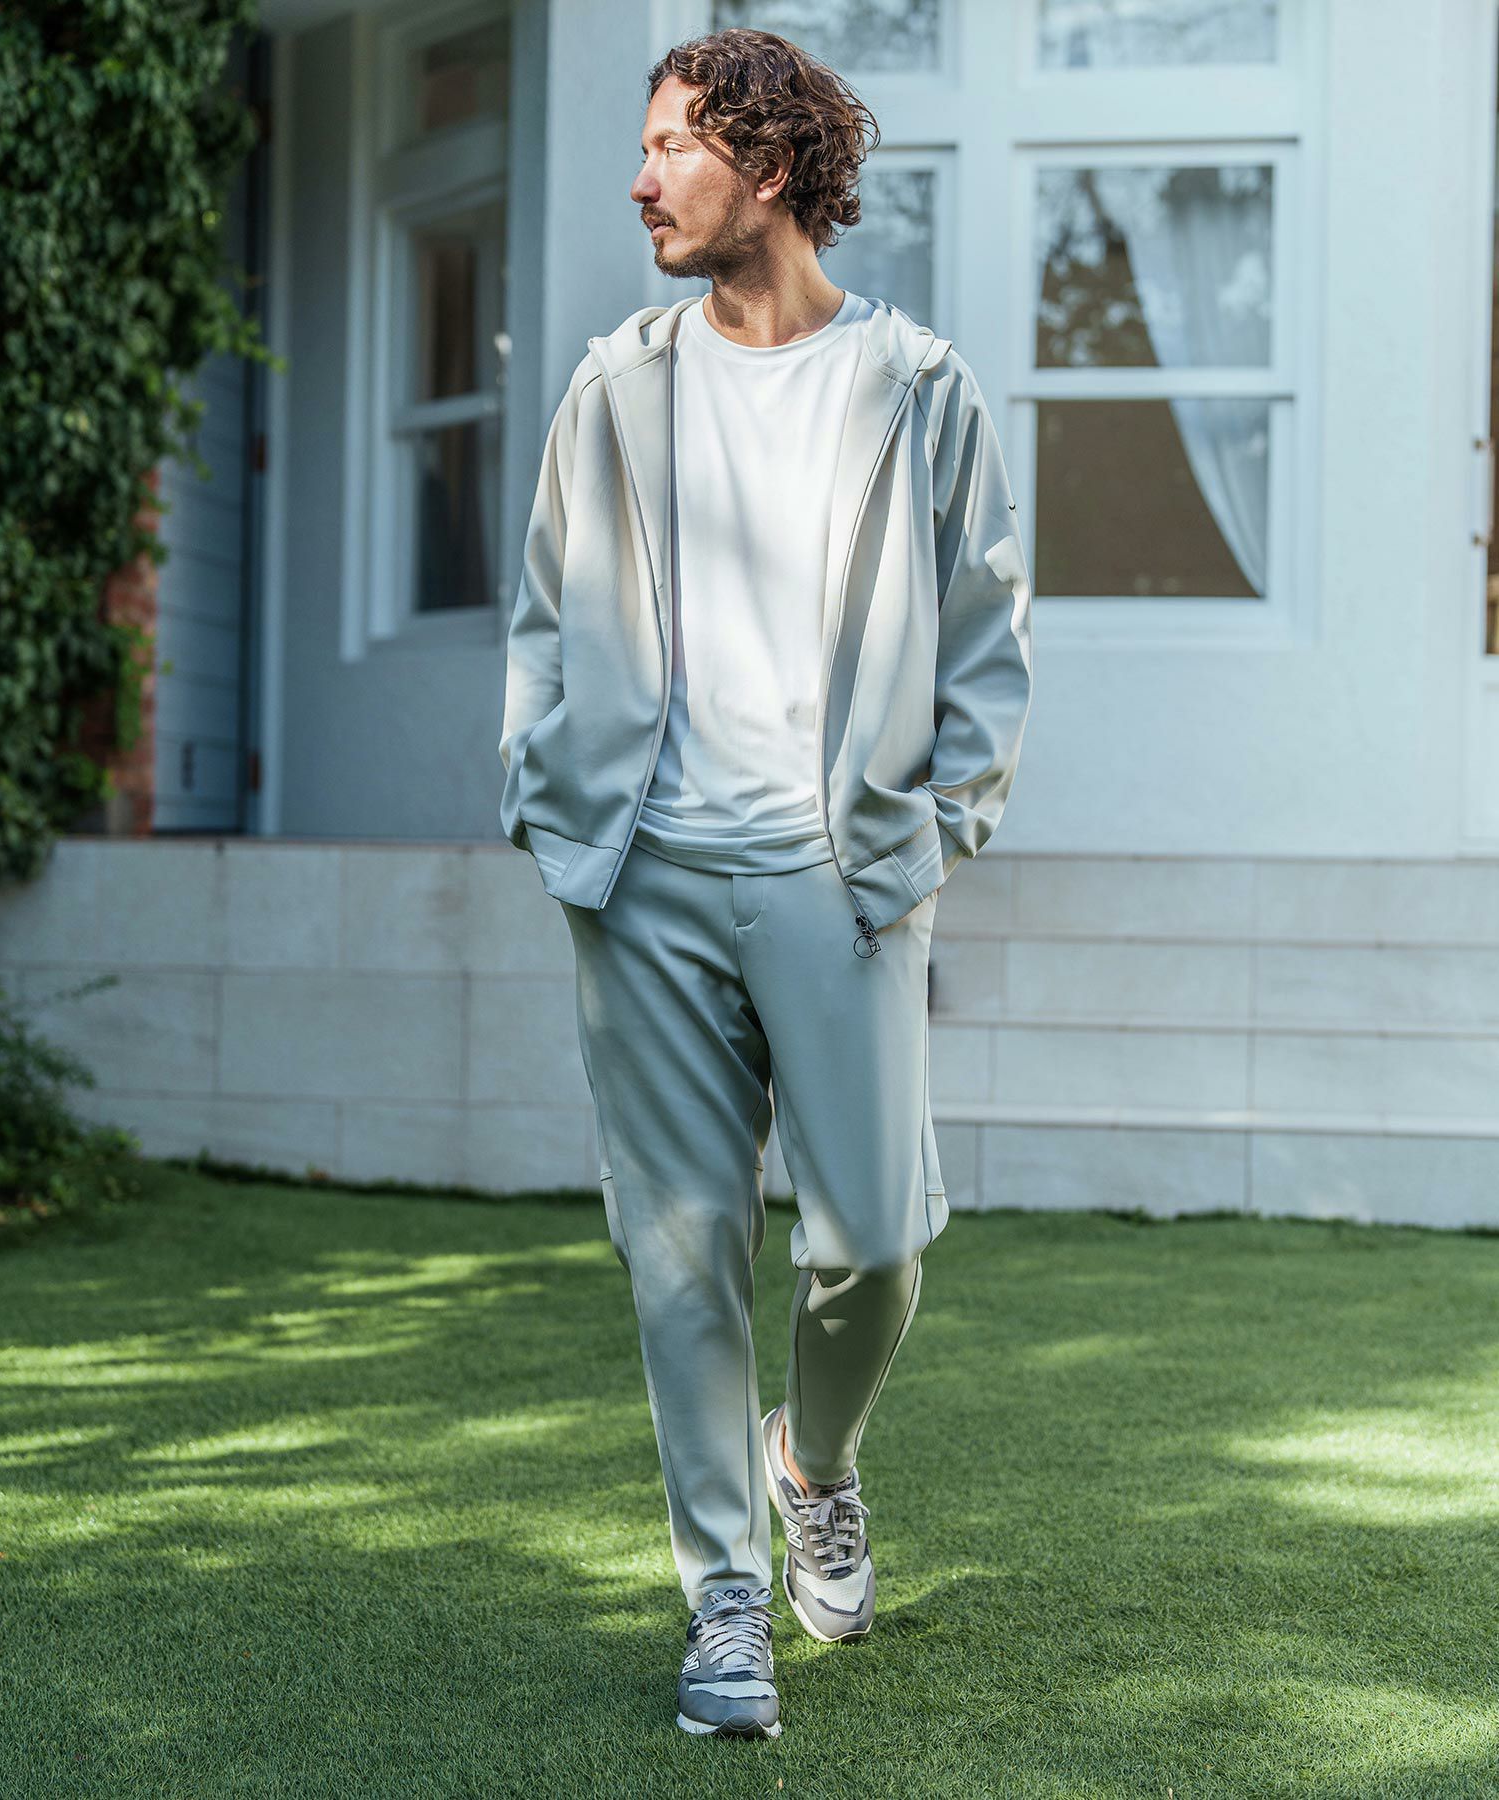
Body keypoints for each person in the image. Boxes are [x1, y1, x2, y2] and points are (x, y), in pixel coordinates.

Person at [498, 26, 1034, 1742]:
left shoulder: (919, 390)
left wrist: (931, 828)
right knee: (680, 1257)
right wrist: (548, 800)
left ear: (772, 167)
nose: (641, 179)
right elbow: (542, 616)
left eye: (674, 146)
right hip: (645, 877)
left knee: (871, 1240)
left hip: (841, 874)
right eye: (645, 145)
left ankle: (817, 1463)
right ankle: (725, 1593)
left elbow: (987, 641)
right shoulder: (613, 387)